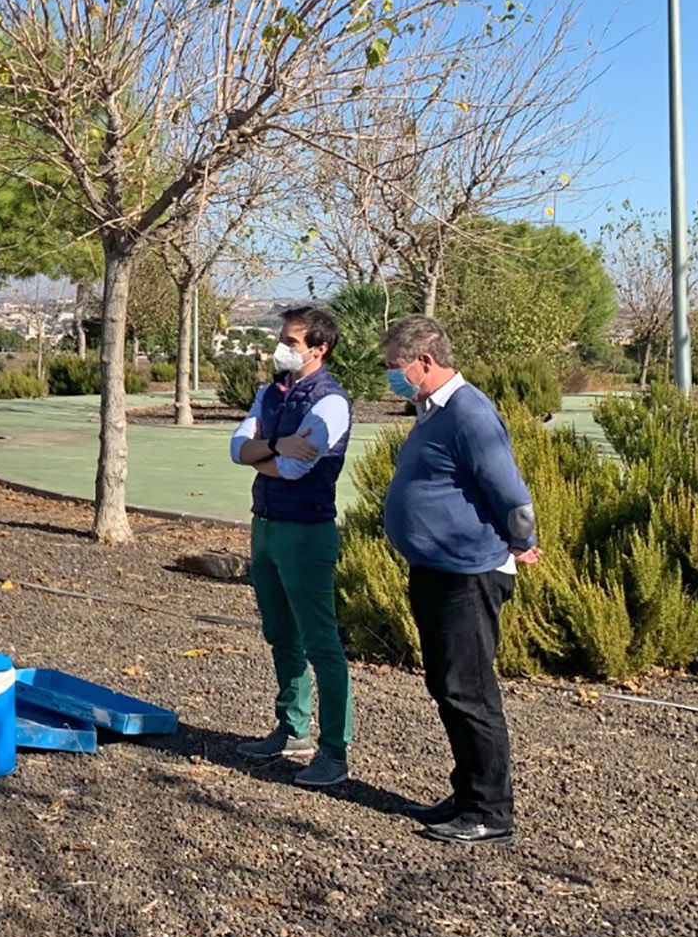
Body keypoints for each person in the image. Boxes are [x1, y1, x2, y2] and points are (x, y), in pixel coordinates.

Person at [379, 313, 539, 844]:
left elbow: (510, 490)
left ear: (425, 361)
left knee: (468, 691)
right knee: (448, 687)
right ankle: (468, 791)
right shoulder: (431, 410)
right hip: (437, 569)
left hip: (467, 575)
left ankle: (490, 810)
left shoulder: (469, 412)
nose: (391, 377)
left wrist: (520, 539)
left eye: (395, 368)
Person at [228, 305, 354, 788]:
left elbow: (296, 469)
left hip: (306, 531)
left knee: (322, 643)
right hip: (265, 527)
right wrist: (278, 446)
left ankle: (335, 750)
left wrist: (263, 452)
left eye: (291, 342)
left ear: (318, 349)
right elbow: (236, 448)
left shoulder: (331, 403)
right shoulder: (271, 393)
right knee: (281, 634)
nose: (280, 347)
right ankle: (292, 728)